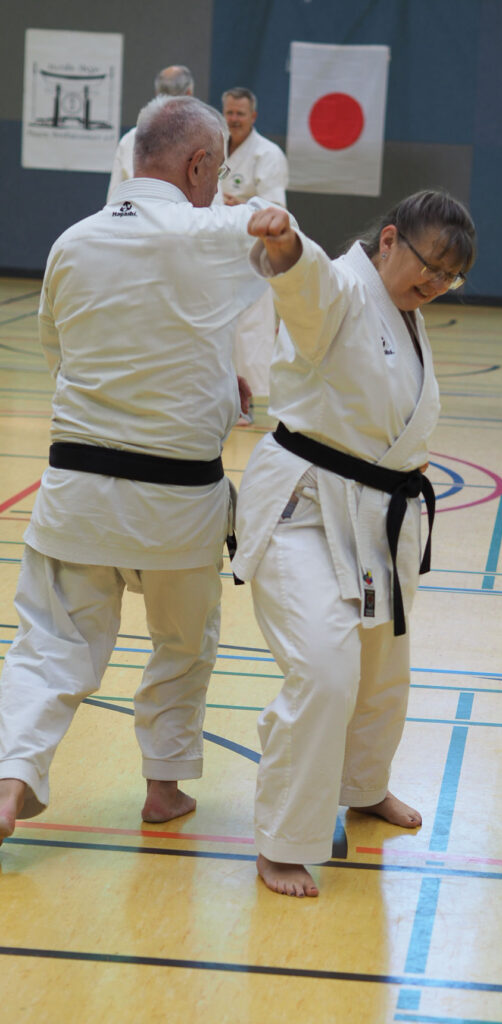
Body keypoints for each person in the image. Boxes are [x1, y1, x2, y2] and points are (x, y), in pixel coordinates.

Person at [0, 95, 267, 844]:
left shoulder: (71, 241)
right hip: (180, 503)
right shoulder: (207, 229)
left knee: (49, 645)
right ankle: (163, 786)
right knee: (182, 645)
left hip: (77, 492)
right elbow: (258, 260)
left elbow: (65, 357)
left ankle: (8, 780)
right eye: (217, 171)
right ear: (199, 164)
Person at [231, 191, 476, 897]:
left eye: (448, 281)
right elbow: (305, 285)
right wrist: (285, 246)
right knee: (325, 668)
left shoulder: (401, 308)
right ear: (390, 239)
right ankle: (281, 839)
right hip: (304, 507)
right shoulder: (339, 286)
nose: (433, 288)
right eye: (428, 270)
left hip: (377, 514)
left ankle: (364, 787)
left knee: (381, 670)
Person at [219, 87, 289, 413]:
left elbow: (276, 209)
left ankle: (245, 402)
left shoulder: (268, 154)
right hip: (216, 250)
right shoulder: (215, 147)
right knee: (217, 325)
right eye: (229, 113)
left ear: (253, 117)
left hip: (251, 253)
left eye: (240, 114)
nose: (233, 120)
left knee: (249, 331)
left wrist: (242, 204)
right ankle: (219, 397)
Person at [106, 65, 194, 202]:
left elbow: (113, 200)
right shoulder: (202, 140)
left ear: (157, 94)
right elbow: (213, 204)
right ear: (189, 94)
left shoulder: (130, 139)